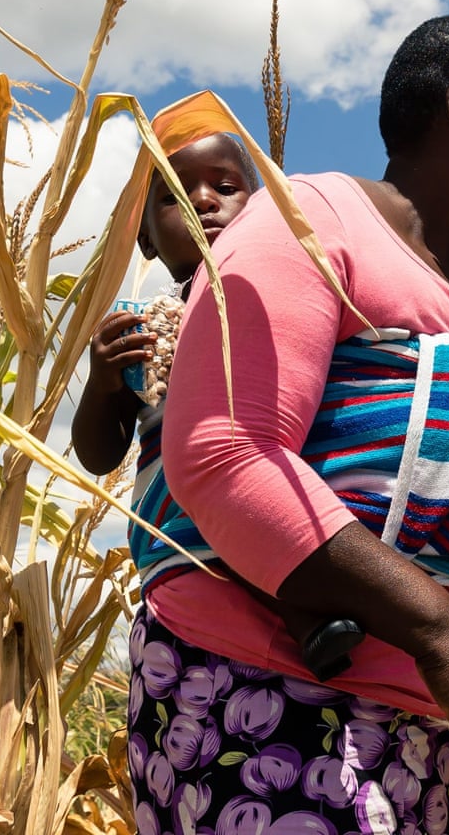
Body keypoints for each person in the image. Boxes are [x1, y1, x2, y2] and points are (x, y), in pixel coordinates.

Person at [126, 17, 449, 835]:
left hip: (445, 721)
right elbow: (227, 453)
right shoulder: (310, 224)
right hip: (258, 689)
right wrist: (445, 630)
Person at [71, 133, 364, 680]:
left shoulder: (289, 298)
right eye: (174, 197)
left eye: (226, 188)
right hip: (182, 523)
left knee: (259, 510)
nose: (204, 202)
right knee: (216, 514)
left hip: (277, 495)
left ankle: (314, 620)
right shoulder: (142, 328)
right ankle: (308, 623)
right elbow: (98, 455)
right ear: (147, 240)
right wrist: (103, 383)